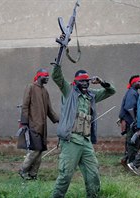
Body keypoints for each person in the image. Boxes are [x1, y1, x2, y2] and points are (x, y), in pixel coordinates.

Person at [51, 63, 116, 197]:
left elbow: (111, 91)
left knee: (93, 173)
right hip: (71, 140)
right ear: (76, 82)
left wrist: (102, 82)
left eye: (87, 81)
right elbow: (57, 77)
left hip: (85, 141)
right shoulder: (69, 91)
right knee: (66, 175)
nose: (85, 84)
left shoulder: (91, 95)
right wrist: (58, 61)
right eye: (82, 81)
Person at [18, 68, 59, 180]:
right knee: (34, 150)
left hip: (42, 127)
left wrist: (59, 120)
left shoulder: (45, 91)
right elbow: (25, 106)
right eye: (45, 76)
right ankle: (23, 170)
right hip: (32, 125)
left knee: (40, 151)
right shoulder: (30, 87)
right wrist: (24, 123)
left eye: (48, 76)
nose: (47, 78)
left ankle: (33, 174)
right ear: (39, 76)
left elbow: (50, 110)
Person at [118, 75, 140, 167]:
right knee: (133, 143)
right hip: (130, 123)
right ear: (134, 83)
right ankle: (130, 164)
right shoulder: (132, 93)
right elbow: (129, 107)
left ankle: (126, 160)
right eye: (138, 81)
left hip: (130, 122)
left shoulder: (133, 92)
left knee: (134, 143)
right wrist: (135, 120)